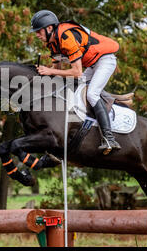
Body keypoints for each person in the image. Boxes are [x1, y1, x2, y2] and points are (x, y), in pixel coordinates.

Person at [30, 9, 121, 152]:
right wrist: (43, 73)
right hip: (92, 65)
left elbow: (77, 72)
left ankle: (109, 138)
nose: (36, 35)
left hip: (105, 60)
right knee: (73, 89)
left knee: (91, 94)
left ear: (49, 28)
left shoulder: (67, 37)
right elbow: (56, 70)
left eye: (38, 31)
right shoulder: (52, 43)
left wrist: (49, 71)